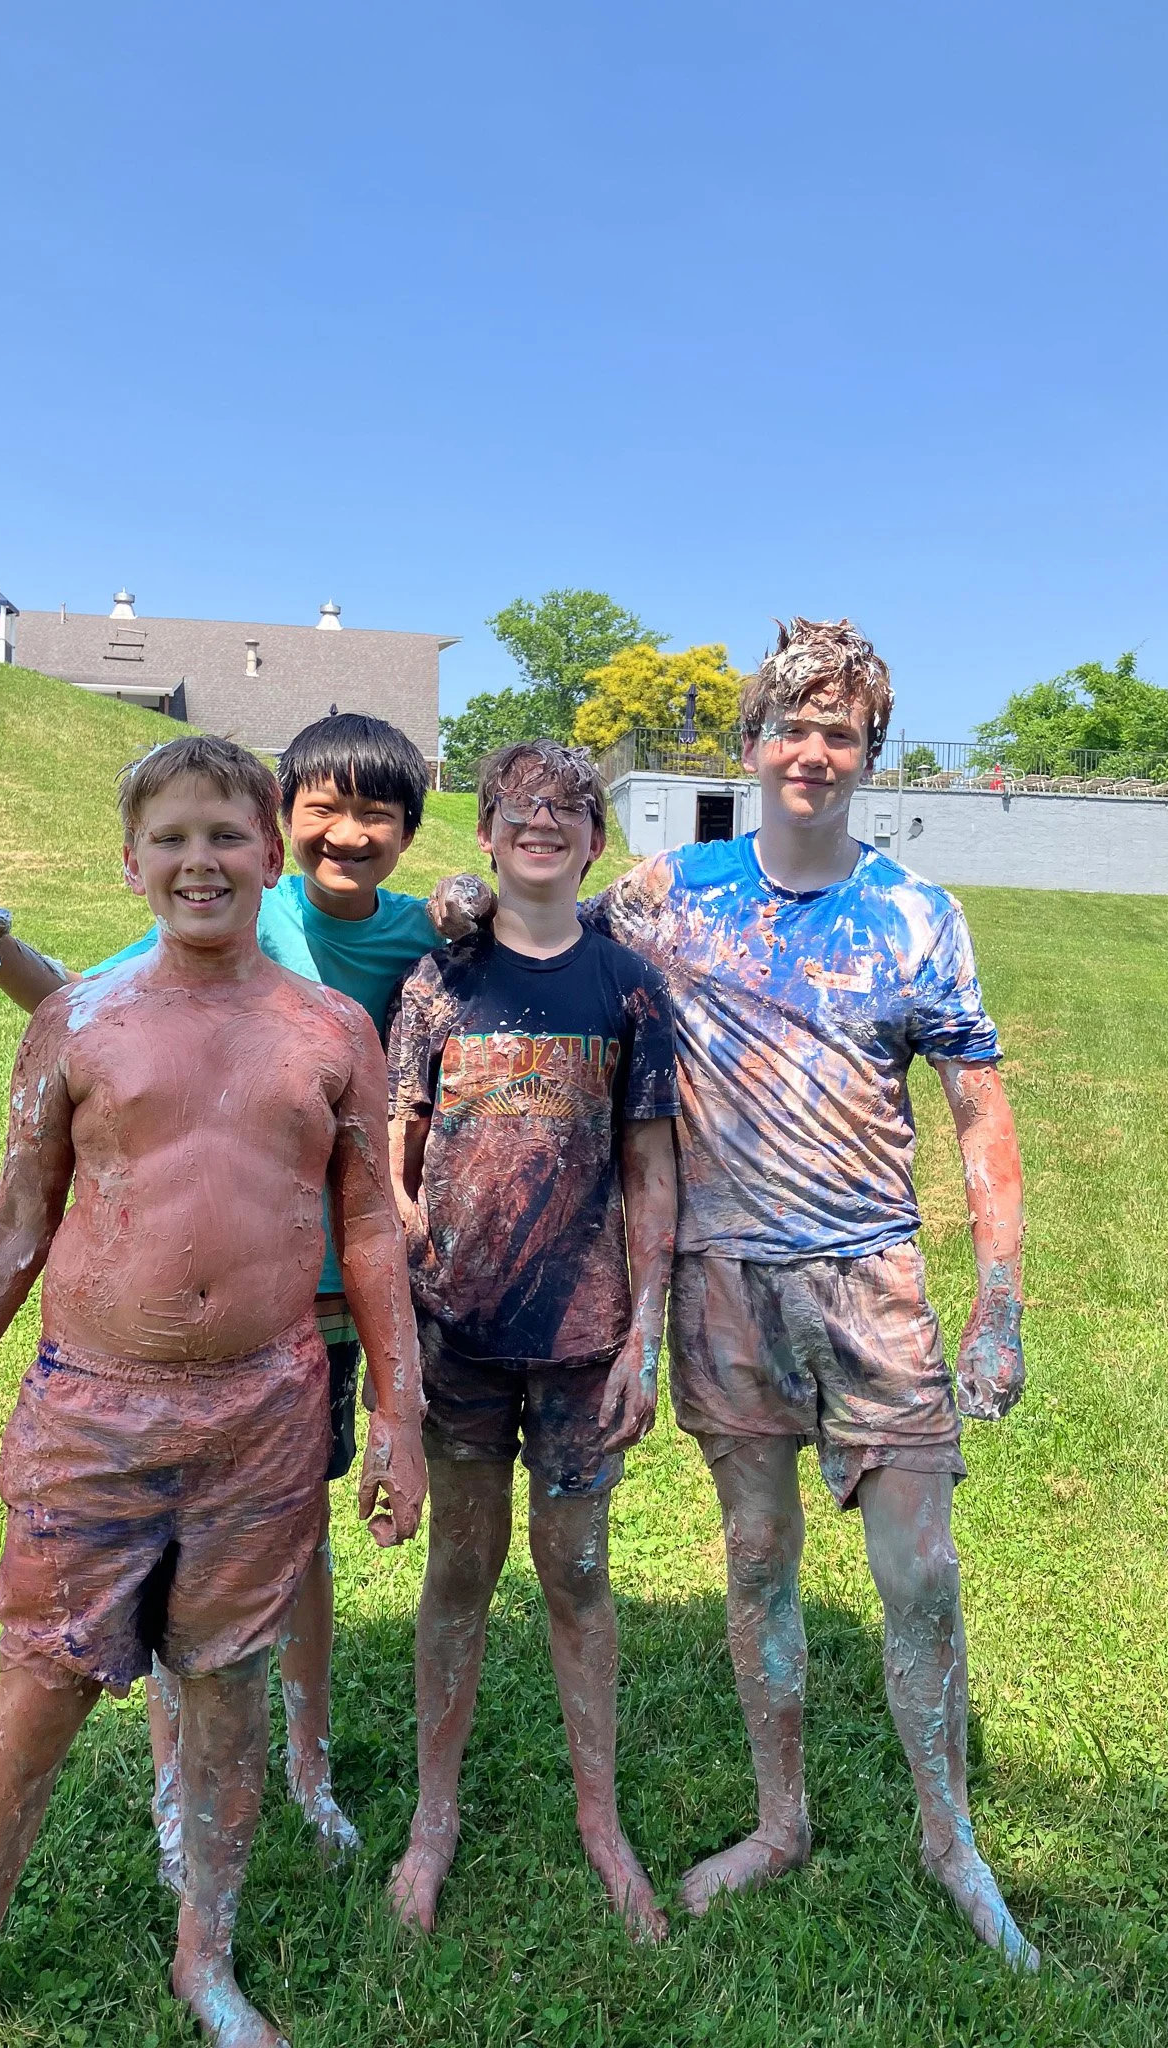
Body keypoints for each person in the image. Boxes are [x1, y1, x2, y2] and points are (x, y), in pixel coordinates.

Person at [0, 734, 427, 2048]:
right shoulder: (81, 1025)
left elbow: (365, 1230)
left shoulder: (329, 1031)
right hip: (95, 1411)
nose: (201, 862)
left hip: (267, 1412)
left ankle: (207, 1954)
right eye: (172, 840)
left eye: (227, 836)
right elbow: (12, 1220)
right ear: (133, 865)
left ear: (268, 852)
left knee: (227, 1692)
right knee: (42, 1688)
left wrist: (399, 1414)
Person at [579, 619, 1038, 1967]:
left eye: (841, 731)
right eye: (793, 724)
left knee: (923, 1574)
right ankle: (781, 1819)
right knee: (759, 1555)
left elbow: (978, 1116)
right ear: (749, 743)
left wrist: (996, 1300)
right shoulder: (667, 895)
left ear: (870, 755)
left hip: (868, 1280)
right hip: (722, 1282)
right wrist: (459, 914)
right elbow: (547, 939)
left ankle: (948, 1836)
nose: (814, 750)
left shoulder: (914, 913)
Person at [386, 739, 679, 1942]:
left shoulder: (627, 985)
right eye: (520, 810)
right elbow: (394, 1164)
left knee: (579, 1572)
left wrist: (644, 1333)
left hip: (583, 1338)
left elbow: (651, 1167)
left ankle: (600, 1820)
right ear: (489, 832)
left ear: (594, 843)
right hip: (459, 1337)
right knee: (459, 1565)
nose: (542, 827)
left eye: (567, 813)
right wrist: (411, 1294)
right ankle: (432, 1816)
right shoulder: (436, 984)